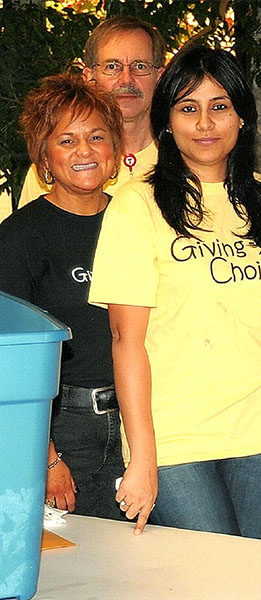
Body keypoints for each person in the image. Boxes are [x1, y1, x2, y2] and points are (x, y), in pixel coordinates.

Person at [88, 45, 261, 537]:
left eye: (219, 105)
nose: (205, 123)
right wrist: (142, 455)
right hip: (175, 436)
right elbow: (126, 340)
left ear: (242, 116)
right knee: (211, 578)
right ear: (166, 121)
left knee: (248, 579)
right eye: (188, 107)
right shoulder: (137, 204)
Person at [0, 74, 124, 518]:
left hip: (143, 420)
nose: (85, 151)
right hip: (66, 429)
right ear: (44, 157)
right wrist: (46, 456)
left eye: (96, 136)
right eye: (67, 140)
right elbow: (11, 360)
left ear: (115, 149)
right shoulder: (20, 236)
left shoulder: (139, 223)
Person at [17, 16, 165, 208]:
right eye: (112, 67)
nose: (126, 79)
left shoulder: (185, 158)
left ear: (159, 77)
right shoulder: (57, 167)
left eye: (140, 66)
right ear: (89, 77)